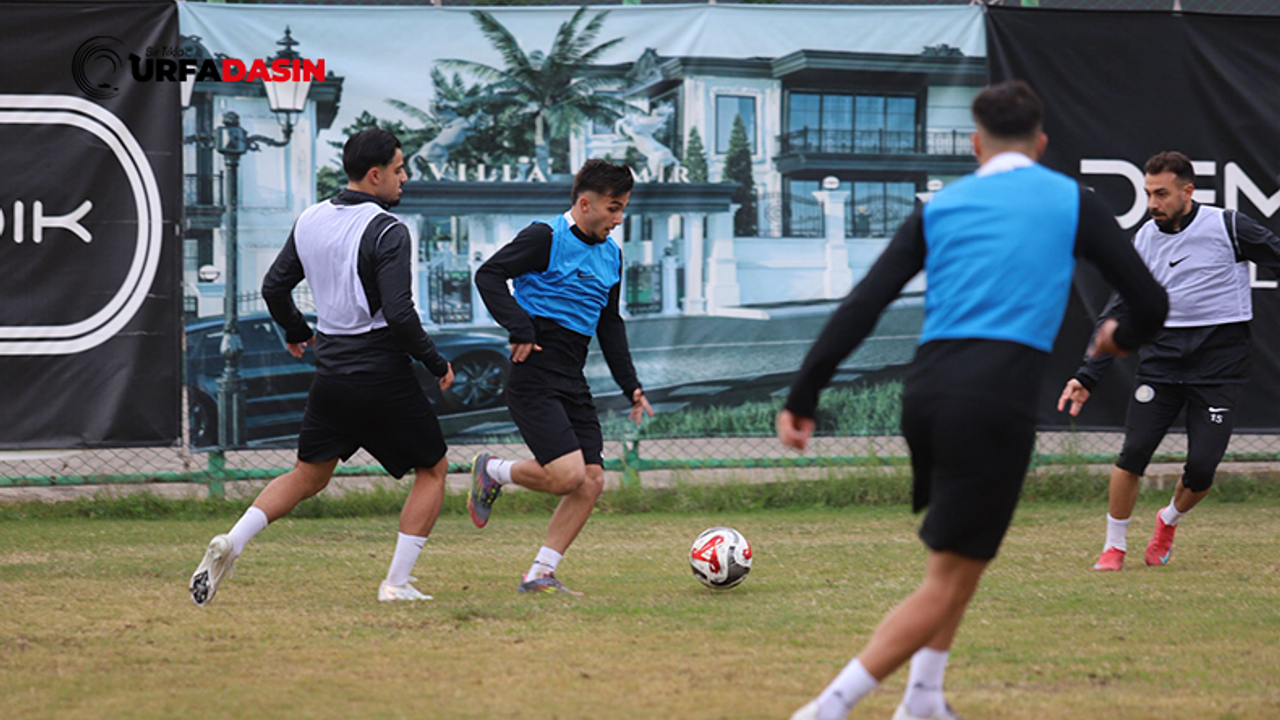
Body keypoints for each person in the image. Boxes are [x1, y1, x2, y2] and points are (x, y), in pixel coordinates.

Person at [778, 81, 1169, 720]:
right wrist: (1118, 338)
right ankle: (826, 709)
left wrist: (803, 395)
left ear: (975, 144)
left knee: (962, 562)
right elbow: (1151, 302)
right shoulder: (1072, 200)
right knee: (946, 578)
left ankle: (924, 700)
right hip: (992, 400)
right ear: (1040, 143)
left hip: (927, 394)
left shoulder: (942, 205)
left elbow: (863, 304)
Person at [188, 128, 455, 606]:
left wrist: (295, 330)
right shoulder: (389, 230)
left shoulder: (310, 218)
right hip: (380, 372)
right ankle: (396, 583)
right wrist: (436, 361)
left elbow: (274, 287)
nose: (405, 178)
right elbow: (399, 313)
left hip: (331, 372)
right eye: (399, 169)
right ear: (374, 175)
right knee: (433, 468)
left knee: (307, 475)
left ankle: (233, 540)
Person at [1058, 150, 1280, 572]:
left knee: (1202, 470)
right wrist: (1086, 375)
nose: (1152, 203)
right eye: (1147, 193)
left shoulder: (1228, 226)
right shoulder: (1144, 239)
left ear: (1187, 191)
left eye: (1161, 194)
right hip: (1161, 364)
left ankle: (1168, 520)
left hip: (1219, 367)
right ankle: (1114, 546)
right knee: (1133, 453)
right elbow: (1118, 312)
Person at [469, 158, 653, 595]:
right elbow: (489, 275)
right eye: (613, 208)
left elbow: (610, 324)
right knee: (569, 475)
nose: (618, 219)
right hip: (534, 374)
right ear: (586, 204)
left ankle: (540, 573)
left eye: (623, 208)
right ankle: (492, 470)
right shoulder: (545, 237)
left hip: (572, 377)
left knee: (591, 481)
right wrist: (520, 327)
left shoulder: (612, 255)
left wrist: (631, 385)